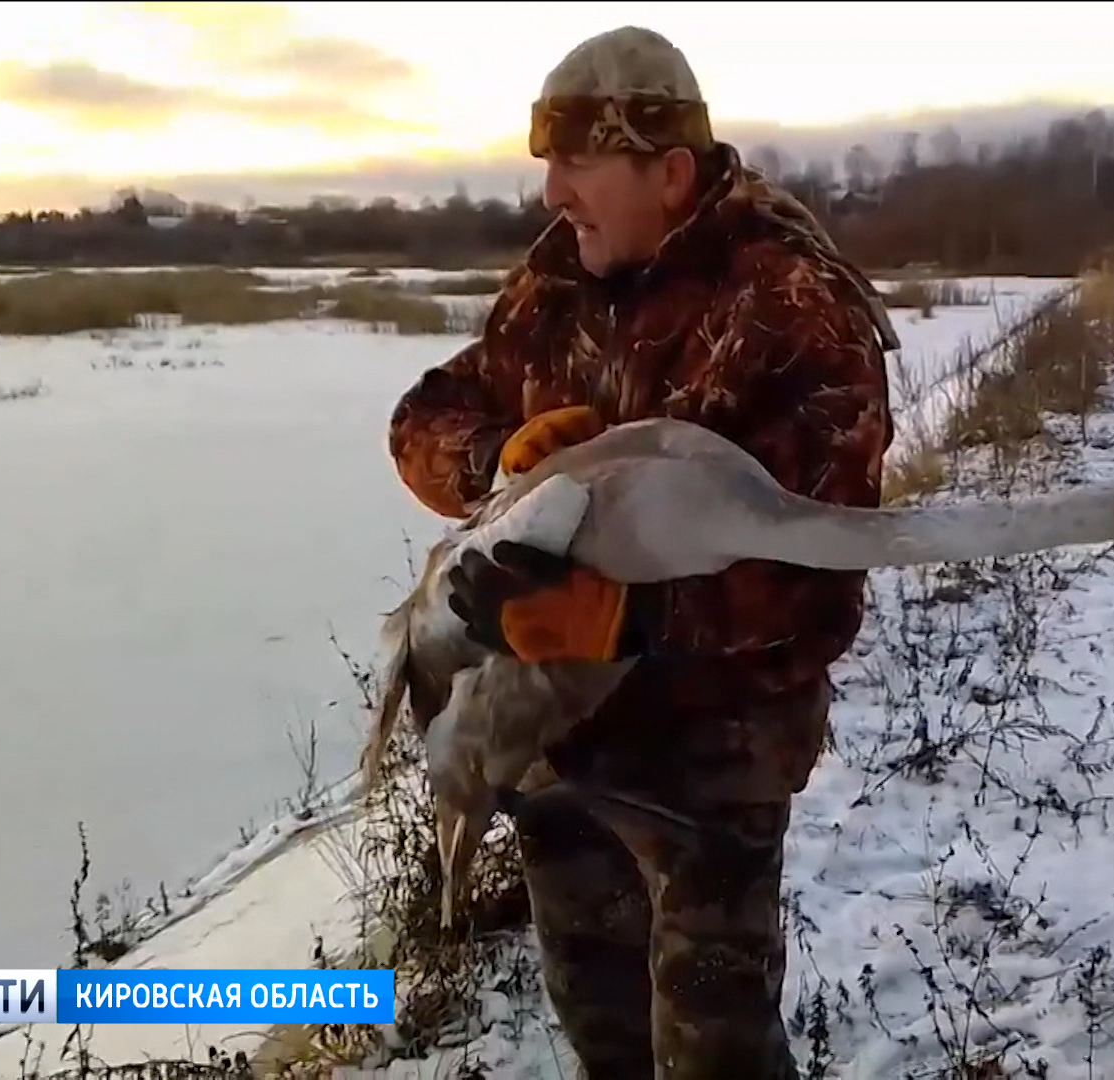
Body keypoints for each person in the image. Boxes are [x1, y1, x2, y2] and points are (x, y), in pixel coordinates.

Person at [386, 25, 900, 1079]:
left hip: (713, 758)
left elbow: (820, 565)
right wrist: (496, 459)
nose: (552, 194)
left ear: (670, 174)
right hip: (558, 739)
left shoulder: (791, 308)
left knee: (714, 1052)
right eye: (548, 165)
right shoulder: (555, 288)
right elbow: (423, 415)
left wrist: (639, 620)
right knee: (602, 1028)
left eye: (578, 163)